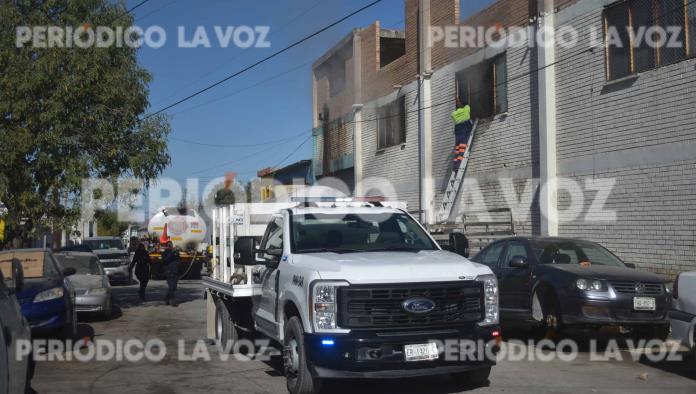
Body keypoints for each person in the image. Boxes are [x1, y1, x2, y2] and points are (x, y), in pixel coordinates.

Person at [451, 98, 473, 170]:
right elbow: (468, 106)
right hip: (465, 129)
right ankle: (459, 164)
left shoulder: (454, 114)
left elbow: (453, 116)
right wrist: (465, 103)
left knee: (457, 149)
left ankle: (455, 165)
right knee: (462, 148)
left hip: (457, 132)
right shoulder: (465, 110)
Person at [161, 241, 180, 306]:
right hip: (169, 272)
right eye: (169, 245)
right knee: (171, 287)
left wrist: (177, 254)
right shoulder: (164, 253)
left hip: (175, 271)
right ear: (167, 246)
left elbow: (178, 260)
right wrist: (172, 252)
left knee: (174, 287)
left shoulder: (174, 252)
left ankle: (166, 298)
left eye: (171, 245)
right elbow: (166, 259)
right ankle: (173, 301)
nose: (170, 246)